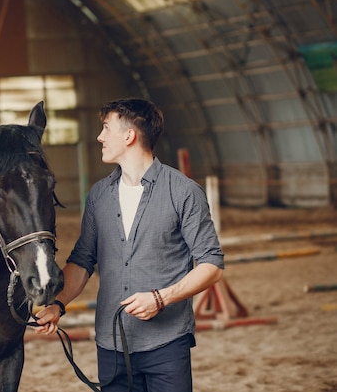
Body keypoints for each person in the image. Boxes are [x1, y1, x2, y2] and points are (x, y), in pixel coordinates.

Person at [34, 98, 224, 392]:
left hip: (167, 345)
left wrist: (161, 298)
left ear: (129, 136)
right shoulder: (99, 195)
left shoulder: (184, 192)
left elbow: (212, 264)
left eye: (106, 128)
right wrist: (58, 303)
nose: (99, 136)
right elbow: (83, 260)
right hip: (111, 348)